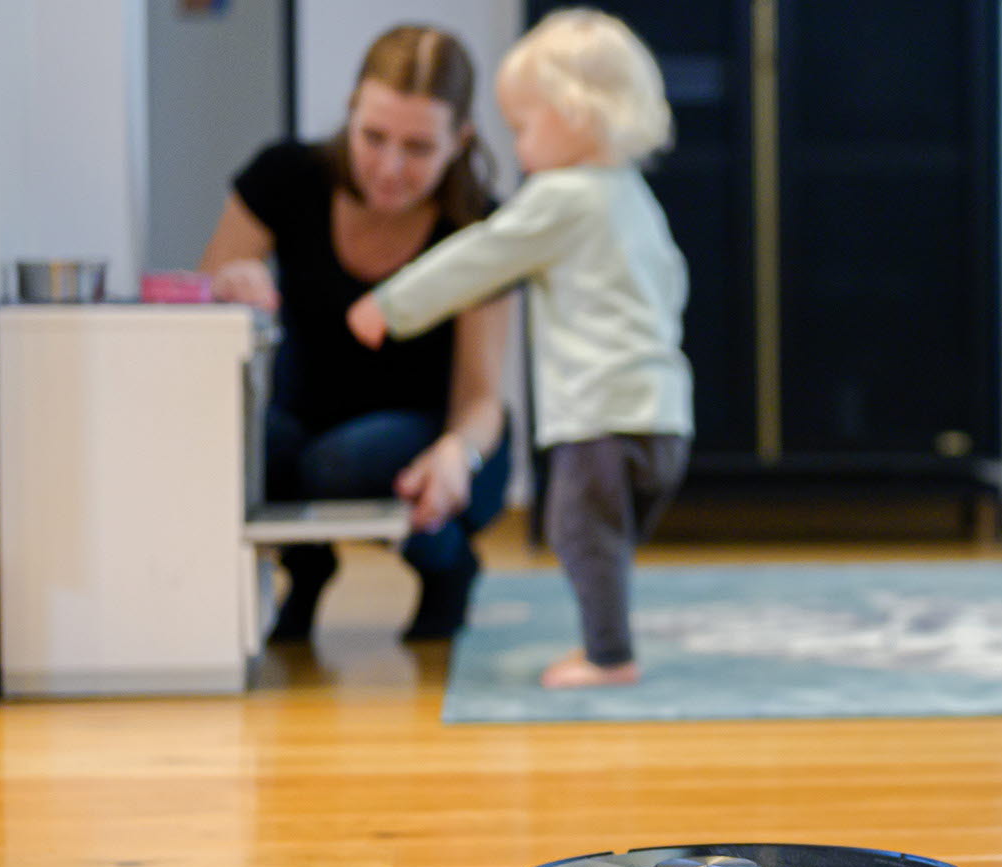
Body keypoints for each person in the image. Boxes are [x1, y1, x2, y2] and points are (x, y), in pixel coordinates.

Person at [350, 9, 690, 689]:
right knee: (606, 538)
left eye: (523, 127)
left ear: (576, 115)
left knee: (577, 534)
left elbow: (481, 257)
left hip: (598, 416)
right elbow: (672, 283)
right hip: (664, 416)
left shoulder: (561, 196)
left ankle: (608, 655)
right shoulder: (633, 196)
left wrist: (390, 304)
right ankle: (607, 636)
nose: (519, 147)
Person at [199, 25, 513, 643]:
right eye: (373, 137)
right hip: (305, 419)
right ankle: (307, 571)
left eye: (419, 147)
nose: (389, 168)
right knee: (252, 443)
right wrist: (229, 288)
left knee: (340, 464)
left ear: (461, 142)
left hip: (427, 432)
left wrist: (458, 453)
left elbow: (480, 399)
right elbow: (202, 304)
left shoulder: (480, 228)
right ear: (350, 114)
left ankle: (448, 566)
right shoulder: (286, 176)